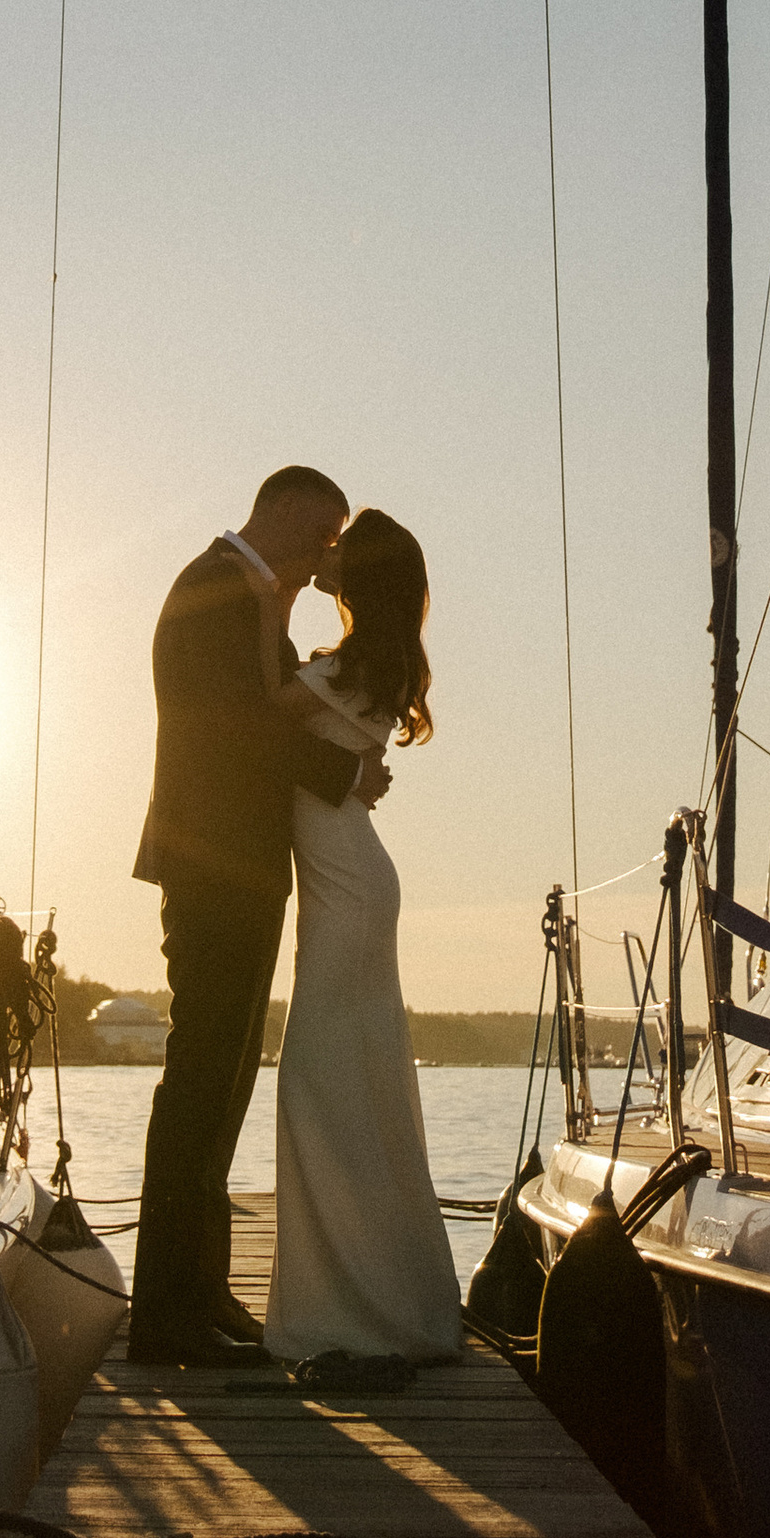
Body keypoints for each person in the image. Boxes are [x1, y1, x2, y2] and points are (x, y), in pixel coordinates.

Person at [129, 467, 389, 1366]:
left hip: (241, 865)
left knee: (227, 1079)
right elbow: (235, 724)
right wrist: (344, 775)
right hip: (211, 862)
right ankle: (164, 1315)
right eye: (322, 533)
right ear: (280, 510)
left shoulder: (252, 598)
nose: (327, 551)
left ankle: (205, 1294)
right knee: (201, 1077)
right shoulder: (211, 588)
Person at [265, 508, 463, 1363]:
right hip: (354, 880)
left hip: (347, 890)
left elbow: (245, 720)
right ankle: (383, 1293)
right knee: (356, 1086)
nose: (327, 549)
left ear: (364, 575)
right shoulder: (365, 666)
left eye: (342, 548)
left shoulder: (339, 670)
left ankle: (351, 1306)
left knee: (322, 1083)